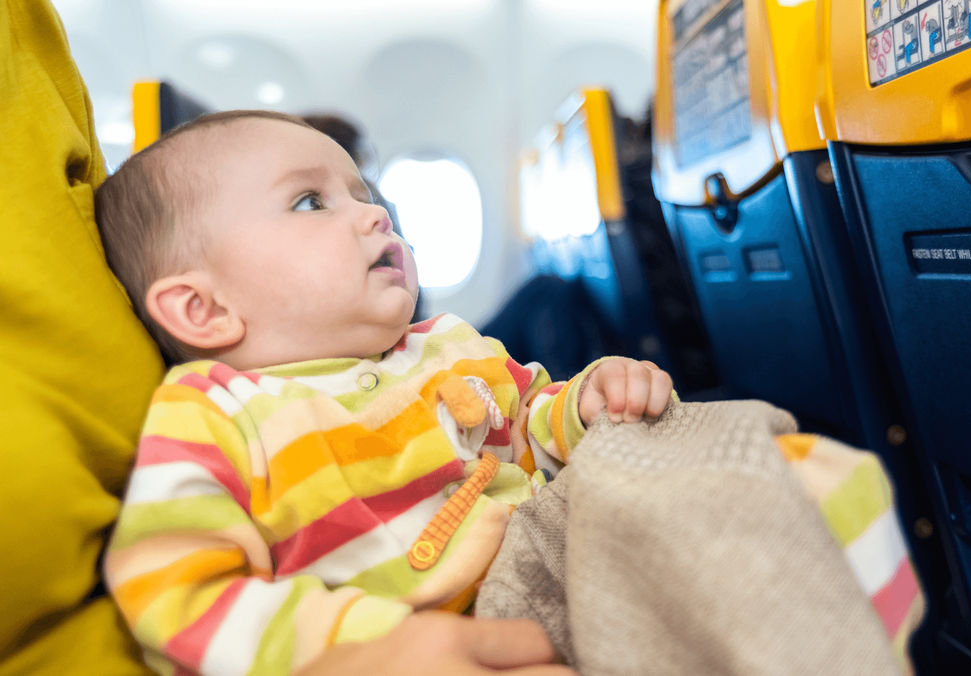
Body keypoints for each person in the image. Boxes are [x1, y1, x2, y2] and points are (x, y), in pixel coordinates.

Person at [96, 109, 673, 675]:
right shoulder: (213, 413)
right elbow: (176, 591)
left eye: (362, 193)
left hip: (573, 551)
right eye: (310, 202)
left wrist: (588, 402)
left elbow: (528, 426)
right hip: (432, 638)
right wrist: (362, 648)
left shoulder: (447, 346)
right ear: (205, 309)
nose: (375, 213)